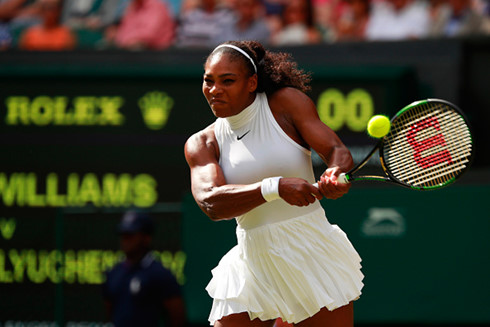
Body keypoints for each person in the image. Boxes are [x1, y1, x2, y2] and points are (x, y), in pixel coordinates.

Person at [184, 40, 364, 326]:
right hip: (251, 262)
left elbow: (335, 151)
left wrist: (334, 172)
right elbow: (211, 202)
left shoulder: (286, 104)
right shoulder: (202, 143)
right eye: (209, 81)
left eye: (227, 81)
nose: (214, 90)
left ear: (252, 82)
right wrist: (275, 187)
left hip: (310, 254)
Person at [102, 211, 187, 327]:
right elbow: (110, 312)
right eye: (123, 235)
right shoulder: (113, 273)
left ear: (146, 238)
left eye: (130, 235)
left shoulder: (161, 274)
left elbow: (177, 318)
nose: (125, 240)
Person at [106, 0, 175, 50]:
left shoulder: (157, 5)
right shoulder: (132, 7)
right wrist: (124, 39)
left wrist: (127, 39)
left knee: (136, 46)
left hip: (157, 53)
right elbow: (123, 32)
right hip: (133, 50)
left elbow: (150, 34)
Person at [365, 0, 430, 41]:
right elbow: (372, 37)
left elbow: (417, 39)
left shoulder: (420, 13)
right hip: (381, 57)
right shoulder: (380, 13)